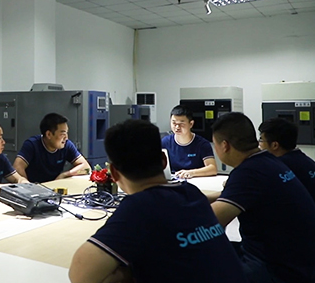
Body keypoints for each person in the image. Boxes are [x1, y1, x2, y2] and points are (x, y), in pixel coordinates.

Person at [69, 119, 246, 283]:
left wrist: (130, 272)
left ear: (113, 173)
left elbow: (80, 275)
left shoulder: (140, 207)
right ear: (163, 161)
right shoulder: (191, 193)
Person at [210, 112, 315, 283]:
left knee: (199, 261)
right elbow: (237, 195)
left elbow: (211, 220)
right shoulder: (267, 161)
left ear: (224, 145)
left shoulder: (248, 172)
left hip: (279, 269)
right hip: (300, 259)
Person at [258, 118, 315, 283]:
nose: (259, 145)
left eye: (261, 140)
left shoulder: (283, 167)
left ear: (275, 145)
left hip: (303, 246)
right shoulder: (303, 161)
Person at [14, 113, 91, 183]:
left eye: (67, 133)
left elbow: (87, 168)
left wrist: (65, 175)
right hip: (36, 188)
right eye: (63, 134)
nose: (66, 138)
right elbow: (17, 167)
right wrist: (27, 186)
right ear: (49, 134)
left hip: (55, 187)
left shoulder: (67, 145)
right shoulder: (32, 145)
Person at [161, 105, 217, 178]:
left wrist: (191, 172)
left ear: (191, 124)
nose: (177, 127)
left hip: (195, 180)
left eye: (181, 124)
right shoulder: (165, 142)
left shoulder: (202, 144)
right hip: (173, 180)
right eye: (174, 123)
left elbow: (212, 168)